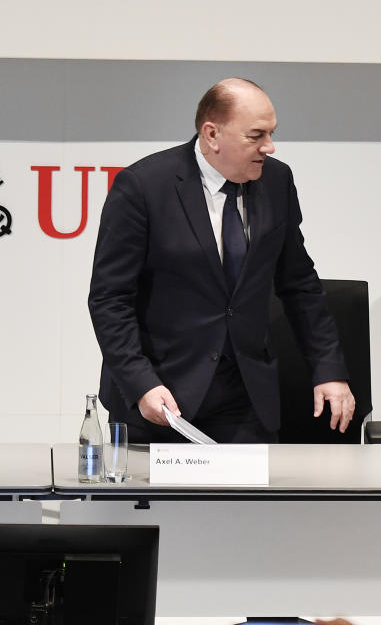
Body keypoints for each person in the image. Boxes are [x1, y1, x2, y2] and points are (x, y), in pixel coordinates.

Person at [89, 78, 355, 443]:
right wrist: (141, 383)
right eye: (256, 135)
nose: (270, 147)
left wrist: (329, 370)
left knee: (244, 503)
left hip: (246, 398)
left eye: (271, 133)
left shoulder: (277, 181)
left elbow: (299, 284)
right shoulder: (143, 186)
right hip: (161, 398)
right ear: (212, 134)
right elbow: (109, 298)